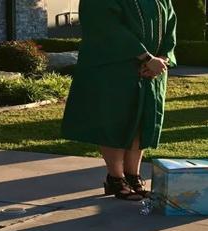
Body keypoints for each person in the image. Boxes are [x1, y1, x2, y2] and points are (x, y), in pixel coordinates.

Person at [61, 0, 177, 202]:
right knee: (115, 121)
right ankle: (115, 178)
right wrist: (145, 57)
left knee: (142, 121)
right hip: (115, 68)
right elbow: (107, 29)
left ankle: (133, 176)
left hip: (152, 72)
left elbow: (171, 28)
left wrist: (163, 59)